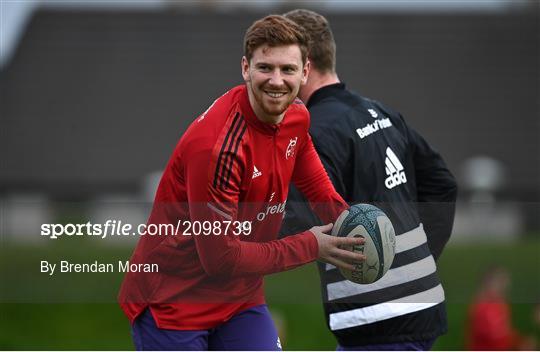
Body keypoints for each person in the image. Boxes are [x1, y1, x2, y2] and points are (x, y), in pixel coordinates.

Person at [118, 14, 365, 351]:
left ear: (305, 72)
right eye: (265, 68)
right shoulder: (218, 149)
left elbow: (315, 184)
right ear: (245, 68)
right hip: (173, 302)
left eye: (288, 69)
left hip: (239, 299)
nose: (276, 81)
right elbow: (220, 259)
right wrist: (312, 245)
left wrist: (353, 228)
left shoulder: (297, 116)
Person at [281, 9, 458, 350]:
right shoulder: (380, 112)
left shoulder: (314, 132)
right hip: (420, 305)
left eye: (283, 65)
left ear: (303, 66)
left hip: (375, 318)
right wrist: (415, 260)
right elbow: (442, 184)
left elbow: (299, 218)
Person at [467, 266, 537, 350]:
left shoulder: (501, 303)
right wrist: (520, 343)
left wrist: (522, 341)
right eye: (501, 282)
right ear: (489, 283)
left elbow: (506, 331)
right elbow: (495, 337)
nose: (505, 287)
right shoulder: (481, 308)